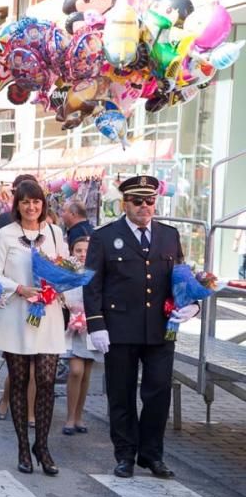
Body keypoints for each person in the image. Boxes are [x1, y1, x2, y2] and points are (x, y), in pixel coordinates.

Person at [84, 175, 191, 479]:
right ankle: (125, 454)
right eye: (137, 201)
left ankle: (152, 454)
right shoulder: (105, 236)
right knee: (121, 393)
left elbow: (179, 276)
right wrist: (96, 325)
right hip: (119, 327)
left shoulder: (169, 235)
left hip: (160, 328)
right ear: (125, 203)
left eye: (150, 201)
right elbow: (92, 285)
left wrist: (190, 302)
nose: (144, 207)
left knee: (158, 393)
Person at [0, 179, 68, 476]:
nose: (31, 207)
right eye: (25, 202)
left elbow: (63, 266)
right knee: (19, 382)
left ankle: (43, 446)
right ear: (17, 205)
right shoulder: (6, 234)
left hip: (46, 314)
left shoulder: (54, 232)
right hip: (16, 313)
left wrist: (59, 284)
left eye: (36, 202)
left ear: (43, 204)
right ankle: (23, 447)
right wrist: (19, 288)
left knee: (47, 381)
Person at [62, 235, 100, 434]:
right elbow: (59, 293)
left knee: (86, 372)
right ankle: (69, 417)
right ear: (71, 251)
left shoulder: (96, 271)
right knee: (75, 370)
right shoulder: (66, 271)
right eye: (78, 250)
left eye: (86, 251)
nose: (83, 254)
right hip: (72, 326)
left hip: (91, 326)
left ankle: (79, 416)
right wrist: (69, 305)